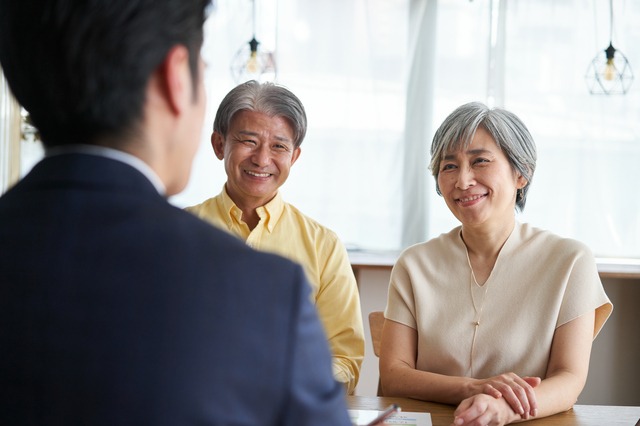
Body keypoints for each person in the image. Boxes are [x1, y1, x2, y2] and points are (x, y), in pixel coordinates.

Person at [0, 1, 351, 425]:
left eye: (278, 146)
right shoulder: (268, 289)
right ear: (176, 78)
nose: (262, 158)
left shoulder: (315, 250)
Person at [379, 102, 613, 426]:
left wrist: (502, 410)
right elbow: (393, 375)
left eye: (480, 162)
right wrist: (475, 388)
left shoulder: (570, 261)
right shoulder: (414, 264)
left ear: (521, 173)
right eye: (449, 166)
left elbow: (569, 378)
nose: (462, 181)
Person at [186, 80, 365, 394]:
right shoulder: (179, 231)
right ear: (218, 144)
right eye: (248, 141)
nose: (261, 159)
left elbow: (344, 359)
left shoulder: (324, 245)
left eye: (279, 146)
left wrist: (293, 392)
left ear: (294, 157)